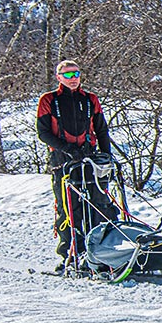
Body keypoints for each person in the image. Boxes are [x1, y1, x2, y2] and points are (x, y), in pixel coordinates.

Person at [36, 60, 115, 272]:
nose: (73, 79)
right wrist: (67, 148)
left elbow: (101, 130)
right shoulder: (49, 100)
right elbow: (43, 133)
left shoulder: (90, 100)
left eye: (76, 74)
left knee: (99, 206)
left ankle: (102, 252)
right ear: (59, 77)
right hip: (63, 162)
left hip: (89, 160)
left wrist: (107, 157)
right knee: (69, 209)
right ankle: (70, 255)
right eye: (68, 75)